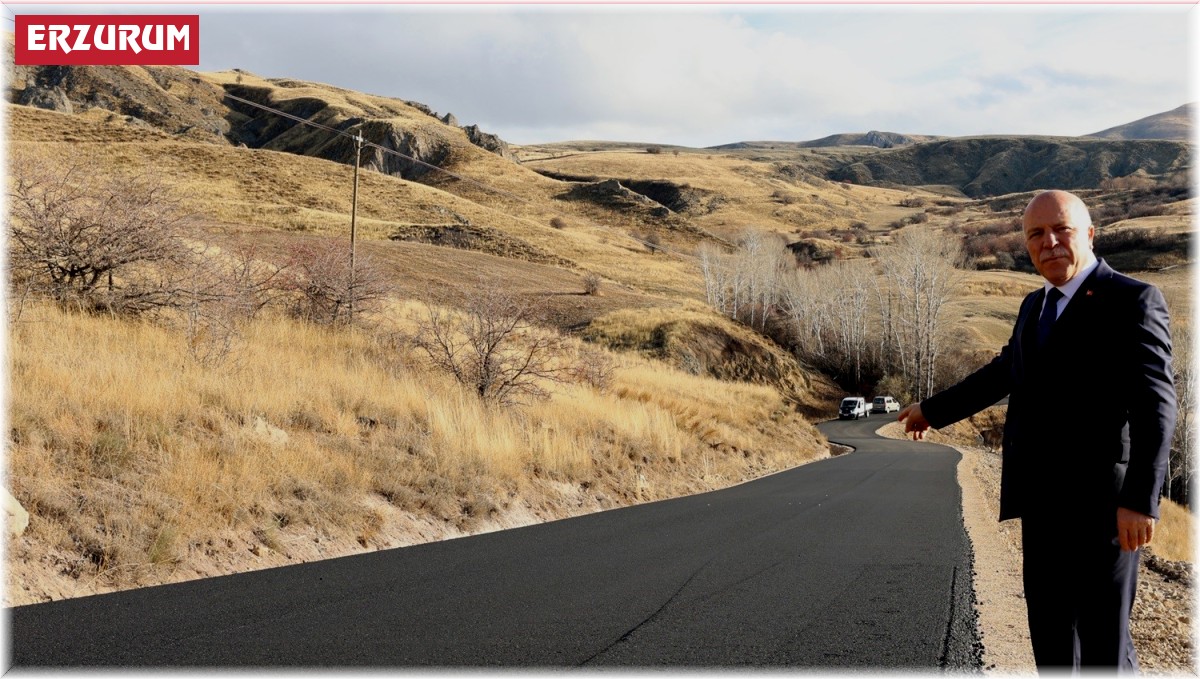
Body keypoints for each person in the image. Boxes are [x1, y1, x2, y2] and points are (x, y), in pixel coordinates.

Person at [898, 190, 1175, 673]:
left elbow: (1156, 405)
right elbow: (1003, 372)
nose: (1049, 242)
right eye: (1035, 234)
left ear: (1088, 234)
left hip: (1104, 511)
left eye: (1060, 229)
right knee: (1049, 639)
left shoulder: (1132, 300)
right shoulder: (1033, 306)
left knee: (1102, 646)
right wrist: (931, 410)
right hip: (1041, 505)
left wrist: (1140, 500)